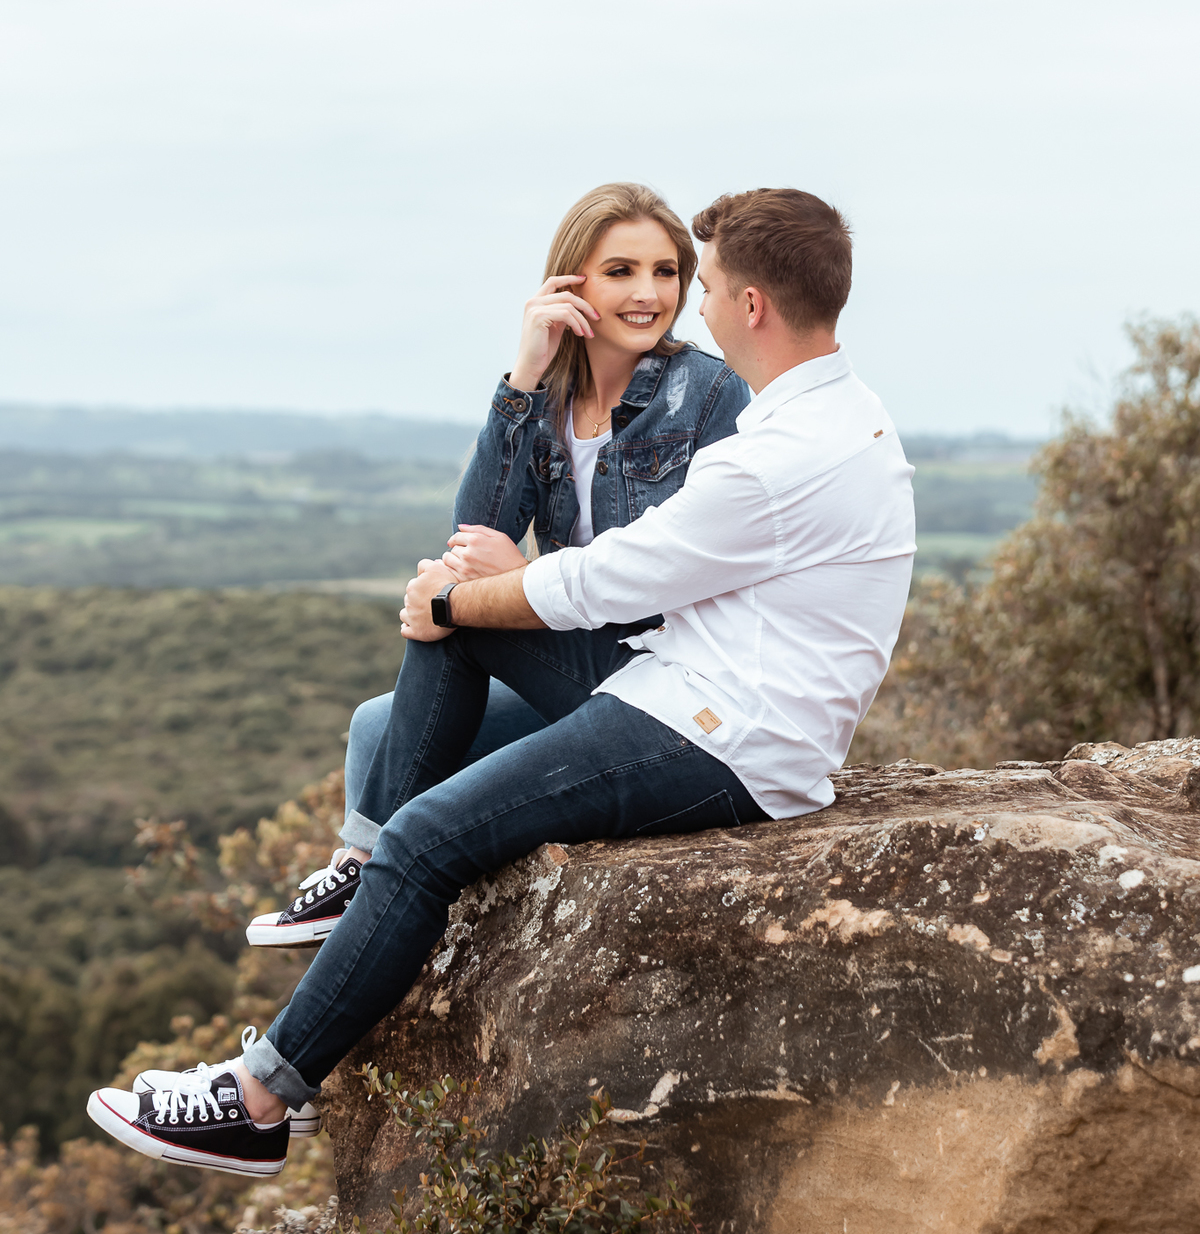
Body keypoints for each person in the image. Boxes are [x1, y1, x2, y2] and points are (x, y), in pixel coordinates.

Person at [88, 187, 915, 1178]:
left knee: (427, 838)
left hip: (723, 733)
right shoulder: (846, 416)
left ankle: (261, 1099)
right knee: (396, 743)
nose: (688, 310)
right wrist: (466, 588)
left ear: (749, 308)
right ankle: (357, 888)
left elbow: (615, 579)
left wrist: (451, 604)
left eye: (703, 289)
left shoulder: (771, 457)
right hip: (705, 691)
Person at [243, 183, 749, 954]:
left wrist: (517, 579)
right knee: (375, 726)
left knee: (457, 618)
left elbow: (688, 573)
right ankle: (369, 905)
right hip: (580, 661)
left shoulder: (709, 394)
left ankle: (363, 870)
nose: (649, 294)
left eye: (667, 271)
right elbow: (470, 534)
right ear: (570, 281)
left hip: (662, 679)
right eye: (621, 271)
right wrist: (522, 377)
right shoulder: (544, 400)